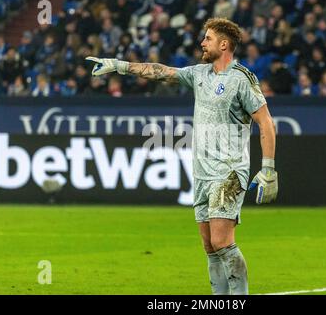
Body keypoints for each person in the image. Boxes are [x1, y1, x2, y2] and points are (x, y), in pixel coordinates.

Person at [85, 17, 278, 295]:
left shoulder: (241, 79)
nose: (202, 42)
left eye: (208, 38)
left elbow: (266, 122)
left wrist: (268, 168)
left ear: (224, 44)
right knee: (210, 246)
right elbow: (162, 72)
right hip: (201, 173)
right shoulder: (200, 74)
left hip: (229, 171)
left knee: (223, 241)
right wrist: (120, 66)